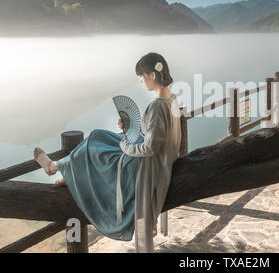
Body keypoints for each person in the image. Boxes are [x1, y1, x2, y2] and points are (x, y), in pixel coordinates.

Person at [33, 52, 182, 252]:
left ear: (152, 75)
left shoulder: (156, 106)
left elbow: (150, 147)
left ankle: (54, 167)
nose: (140, 80)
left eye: (141, 76)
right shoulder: (171, 99)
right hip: (160, 159)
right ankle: (66, 170)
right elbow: (160, 137)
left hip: (147, 165)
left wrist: (126, 146)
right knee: (99, 136)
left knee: (95, 149)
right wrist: (128, 127)